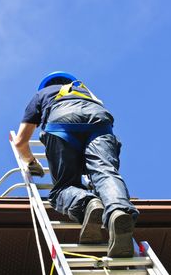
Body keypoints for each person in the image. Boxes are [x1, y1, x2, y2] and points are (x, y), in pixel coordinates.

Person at [15, 71, 139, 257]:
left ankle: (87, 203)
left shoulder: (41, 95)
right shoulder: (87, 93)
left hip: (62, 126)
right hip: (100, 124)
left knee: (61, 190)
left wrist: (32, 162)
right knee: (105, 173)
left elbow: (20, 142)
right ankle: (118, 211)